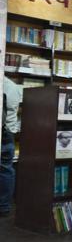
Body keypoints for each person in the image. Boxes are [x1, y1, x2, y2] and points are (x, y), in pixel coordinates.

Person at [0, 77, 23, 217]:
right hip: (8, 134)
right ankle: (4, 207)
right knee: (6, 169)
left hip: (4, 134)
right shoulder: (13, 86)